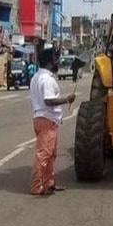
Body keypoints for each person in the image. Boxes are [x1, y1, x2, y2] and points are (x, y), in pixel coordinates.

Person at [29, 47, 76, 195]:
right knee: (44, 154)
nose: (57, 62)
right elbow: (48, 100)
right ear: (49, 62)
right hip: (47, 119)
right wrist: (66, 99)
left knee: (50, 154)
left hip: (43, 119)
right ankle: (36, 186)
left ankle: (49, 183)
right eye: (55, 59)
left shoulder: (37, 77)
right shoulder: (46, 79)